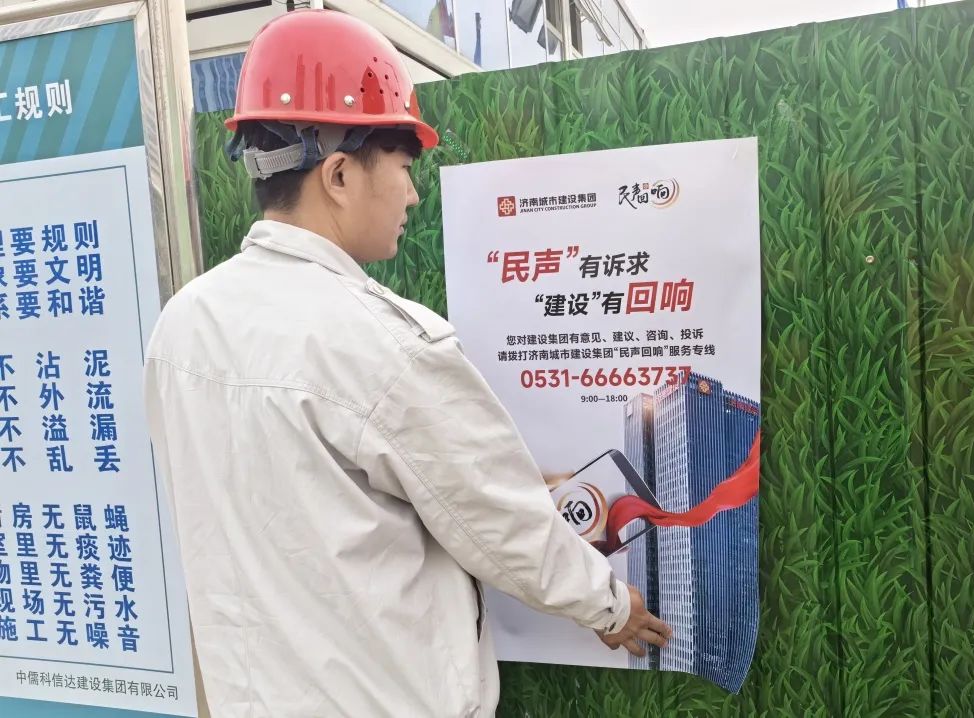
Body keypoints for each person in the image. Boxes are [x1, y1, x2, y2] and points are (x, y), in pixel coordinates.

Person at [143, 9, 670, 717]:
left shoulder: (182, 326)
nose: (413, 194)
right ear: (338, 174)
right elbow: (500, 522)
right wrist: (610, 605)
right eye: (402, 167)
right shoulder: (383, 344)